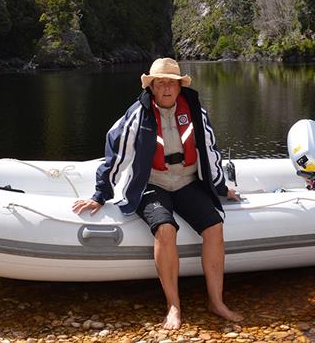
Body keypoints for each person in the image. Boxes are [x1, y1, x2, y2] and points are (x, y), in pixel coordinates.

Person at [72, 57, 243, 329]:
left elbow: (210, 151)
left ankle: (216, 301)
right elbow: (116, 154)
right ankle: (173, 306)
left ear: (179, 87)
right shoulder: (137, 115)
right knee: (165, 229)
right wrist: (100, 194)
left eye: (171, 84)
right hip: (152, 184)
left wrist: (221, 187)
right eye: (160, 83)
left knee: (214, 226)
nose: (165, 89)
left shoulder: (196, 112)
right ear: (151, 87)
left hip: (187, 182)